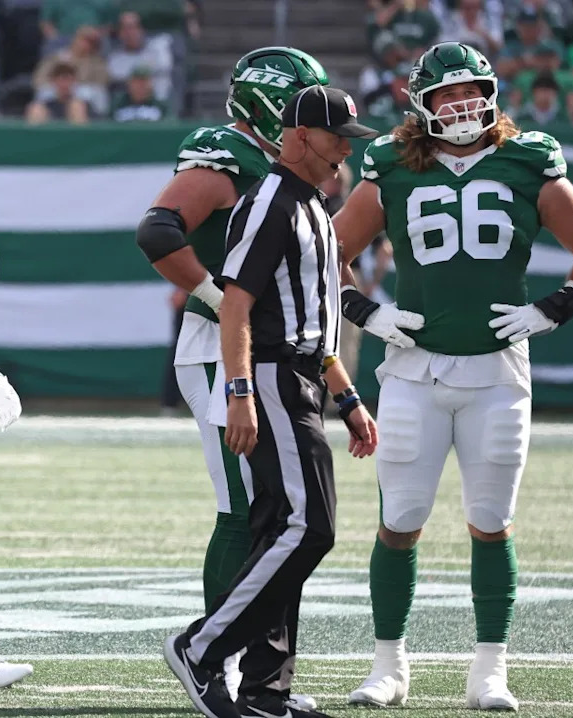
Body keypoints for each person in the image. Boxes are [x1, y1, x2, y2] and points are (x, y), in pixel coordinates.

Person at [333, 42, 573, 711]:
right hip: (414, 370)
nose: (460, 104)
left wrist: (557, 306)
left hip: (498, 371)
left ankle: (490, 670)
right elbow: (325, 252)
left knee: (490, 518)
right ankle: (388, 665)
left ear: (492, 92)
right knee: (401, 517)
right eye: (446, 94)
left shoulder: (527, 158)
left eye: (471, 89)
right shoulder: (389, 163)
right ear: (422, 102)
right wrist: (363, 309)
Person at [162, 85, 380, 718]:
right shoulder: (271, 203)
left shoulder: (313, 204)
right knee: (309, 526)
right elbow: (236, 304)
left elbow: (316, 320)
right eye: (337, 136)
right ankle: (200, 648)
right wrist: (239, 392)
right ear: (300, 136)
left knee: (281, 533)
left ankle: (265, 691)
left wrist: (347, 394)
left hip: (305, 378)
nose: (346, 149)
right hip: (274, 380)